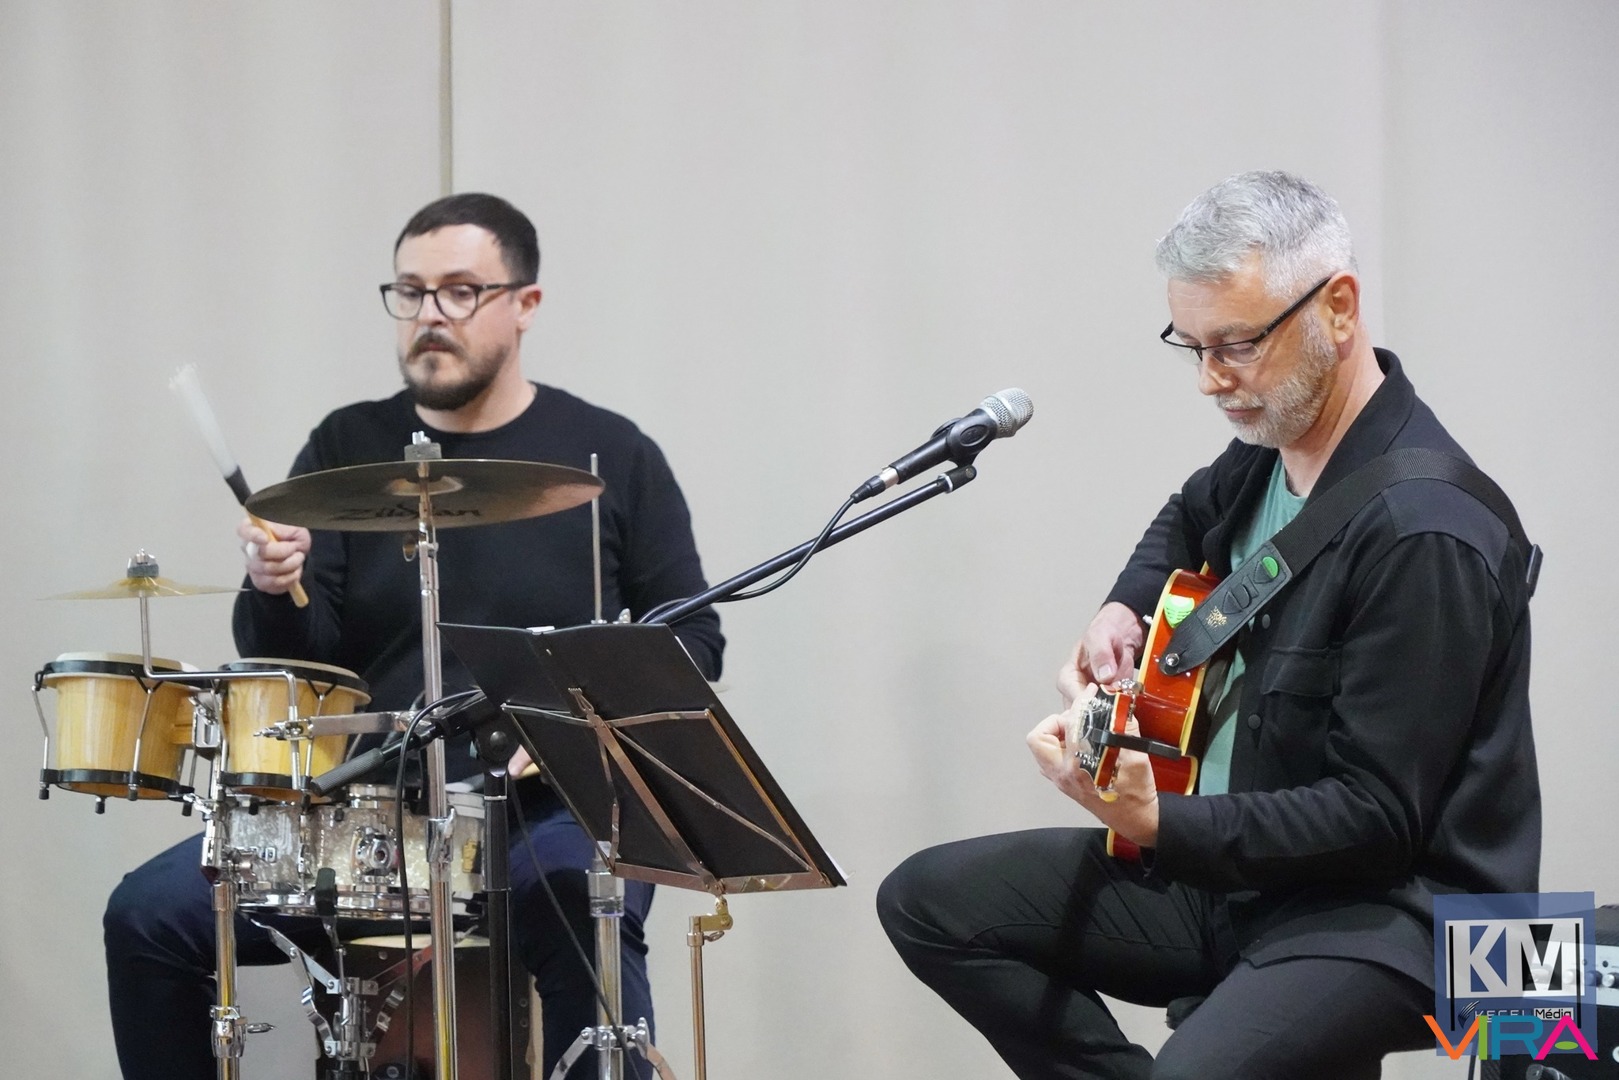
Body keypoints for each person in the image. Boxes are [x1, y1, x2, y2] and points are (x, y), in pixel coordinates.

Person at [877, 171, 1539, 1079]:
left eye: (1235, 345)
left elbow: (1378, 817)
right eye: (1190, 347)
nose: (1207, 380)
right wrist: (1123, 606)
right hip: (1247, 880)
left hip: (1405, 916)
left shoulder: (1424, 531)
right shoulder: (1271, 453)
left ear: (1338, 308)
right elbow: (1185, 518)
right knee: (929, 902)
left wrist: (1159, 821)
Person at [103, 192, 724, 1080]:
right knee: (147, 915)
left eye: (460, 290)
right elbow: (299, 656)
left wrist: (581, 724)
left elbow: (693, 636)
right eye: (410, 291)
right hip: (366, 805)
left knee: (578, 909)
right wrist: (274, 587)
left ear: (525, 303)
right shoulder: (347, 445)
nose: (430, 314)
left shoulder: (609, 453)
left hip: (546, 805)